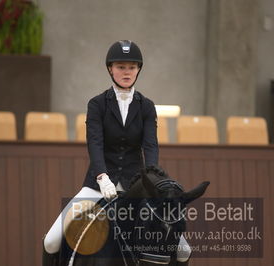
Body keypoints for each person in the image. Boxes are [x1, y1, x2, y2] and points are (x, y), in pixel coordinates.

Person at [42, 40, 191, 266]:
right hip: (97, 185)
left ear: (138, 69)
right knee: (52, 241)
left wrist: (150, 180)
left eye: (131, 67)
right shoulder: (97, 104)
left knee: (183, 249)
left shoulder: (147, 107)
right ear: (110, 69)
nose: (126, 72)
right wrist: (102, 177)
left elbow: (150, 145)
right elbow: (95, 143)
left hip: (136, 186)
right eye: (121, 67)